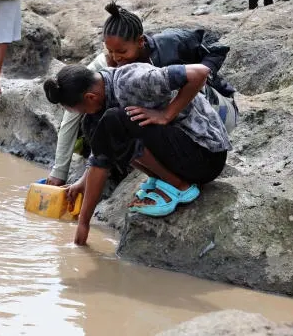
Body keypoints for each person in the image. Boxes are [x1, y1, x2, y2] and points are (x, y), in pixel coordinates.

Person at [46, 2, 238, 186]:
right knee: (112, 121)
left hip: (213, 110)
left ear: (140, 42)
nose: (116, 58)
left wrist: (168, 112)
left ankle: (178, 181)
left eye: (121, 51)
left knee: (185, 92)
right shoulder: (105, 66)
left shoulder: (170, 45)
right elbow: (74, 110)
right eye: (111, 52)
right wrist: (60, 171)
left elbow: (213, 49)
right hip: (173, 129)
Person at [44, 62, 231, 246]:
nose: (85, 114)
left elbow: (200, 72)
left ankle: (179, 185)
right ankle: (164, 180)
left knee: (115, 120)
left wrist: (166, 114)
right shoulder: (103, 89)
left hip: (205, 156)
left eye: (82, 110)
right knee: (95, 125)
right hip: (180, 152)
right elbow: (101, 157)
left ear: (90, 97)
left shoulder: (132, 81)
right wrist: (82, 183)